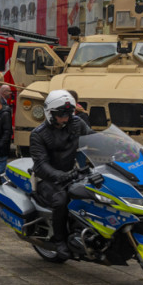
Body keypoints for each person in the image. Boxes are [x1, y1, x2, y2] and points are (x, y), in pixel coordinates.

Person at [29, 89, 92, 259]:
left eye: (69, 112)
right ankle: (60, 240)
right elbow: (41, 164)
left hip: (72, 173)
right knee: (61, 200)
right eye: (61, 114)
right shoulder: (38, 134)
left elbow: (94, 141)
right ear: (50, 113)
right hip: (47, 179)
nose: (65, 117)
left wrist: (123, 154)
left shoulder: (77, 123)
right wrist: (60, 175)